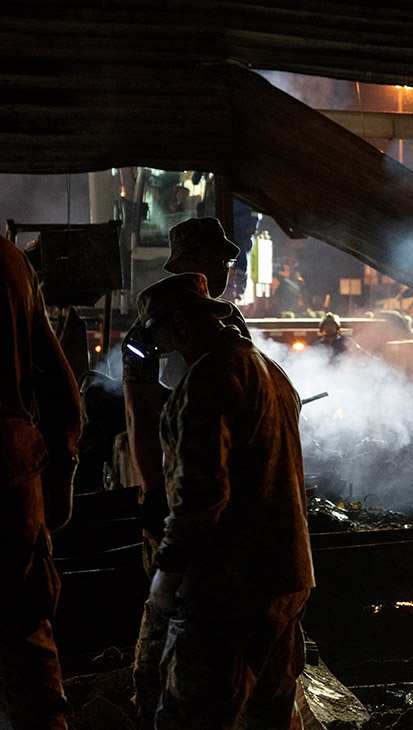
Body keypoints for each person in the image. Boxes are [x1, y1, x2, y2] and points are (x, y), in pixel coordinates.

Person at [135, 273, 314, 728]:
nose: (157, 349)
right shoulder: (271, 371)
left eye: (157, 336)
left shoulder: (208, 378)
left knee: (189, 717)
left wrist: (166, 575)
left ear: (178, 322)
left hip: (231, 587)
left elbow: (201, 494)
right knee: (267, 717)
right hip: (287, 575)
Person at [124, 217, 250, 725]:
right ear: (187, 265)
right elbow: (139, 409)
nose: (222, 270)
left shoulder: (226, 322)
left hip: (219, 483)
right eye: (213, 261)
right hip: (177, 480)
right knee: (169, 601)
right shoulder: (150, 330)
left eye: (223, 262)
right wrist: (154, 491)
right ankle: (150, 697)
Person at [1, 236, 82, 730]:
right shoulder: (11, 262)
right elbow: (61, 389)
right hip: (11, 470)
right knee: (25, 630)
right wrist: (59, 481)